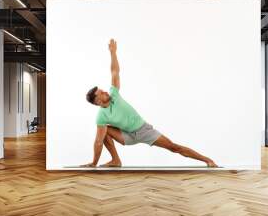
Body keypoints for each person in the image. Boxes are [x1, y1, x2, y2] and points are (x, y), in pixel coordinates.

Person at [80, 39, 217, 168]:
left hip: (144, 130)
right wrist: (94, 163)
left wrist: (113, 53)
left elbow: (115, 72)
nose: (105, 91)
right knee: (103, 133)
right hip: (126, 136)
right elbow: (98, 141)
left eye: (103, 90)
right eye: (101, 93)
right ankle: (116, 160)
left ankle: (208, 160)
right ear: (97, 101)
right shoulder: (101, 117)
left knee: (174, 147)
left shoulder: (114, 94)